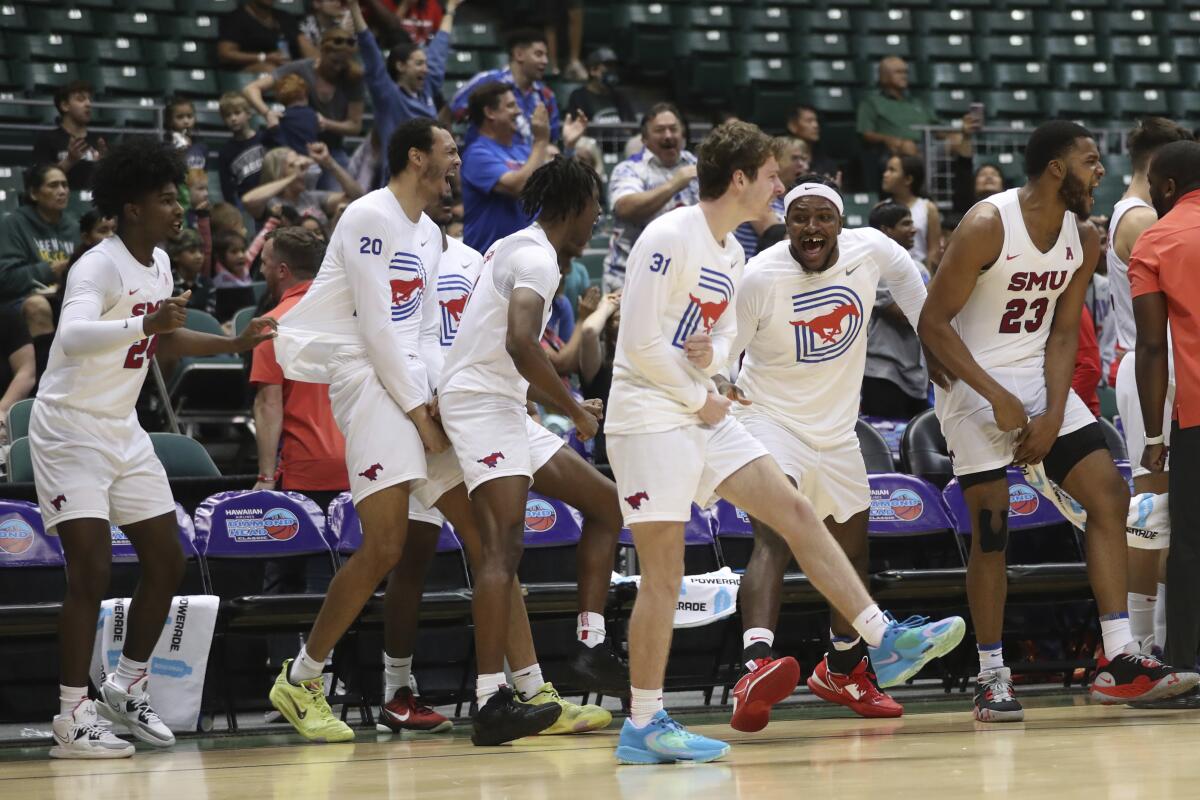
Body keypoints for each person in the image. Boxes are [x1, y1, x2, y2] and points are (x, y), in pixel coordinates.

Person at [604, 120, 965, 764]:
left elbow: (704, 347)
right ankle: (644, 721)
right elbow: (635, 346)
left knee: (797, 514)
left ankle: (879, 638)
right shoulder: (670, 235)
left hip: (701, 410)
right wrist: (702, 391)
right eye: (773, 176)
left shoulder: (730, 252)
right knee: (662, 579)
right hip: (649, 418)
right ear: (740, 178)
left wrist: (713, 372)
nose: (780, 186)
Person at [918, 119, 1200, 724]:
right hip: (974, 383)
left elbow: (1065, 332)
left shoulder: (1086, 235)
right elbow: (933, 324)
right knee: (992, 527)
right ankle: (991, 674)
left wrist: (1051, 410)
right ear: (1055, 169)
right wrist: (995, 395)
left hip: (1038, 380)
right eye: (1091, 162)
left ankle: (1119, 657)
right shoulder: (989, 223)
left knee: (1108, 495)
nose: (1101, 173)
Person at [267, 118, 522, 745]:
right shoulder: (366, 217)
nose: (458, 161)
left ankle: (522, 691)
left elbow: (426, 333)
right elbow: (379, 329)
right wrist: (417, 414)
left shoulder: (431, 233)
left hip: (410, 381)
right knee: (384, 545)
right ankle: (301, 679)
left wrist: (441, 403)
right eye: (449, 151)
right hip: (364, 374)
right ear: (416, 157)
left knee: (488, 539)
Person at [36, 138, 275, 759]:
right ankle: (69, 716)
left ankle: (125, 684)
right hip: (68, 426)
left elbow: (162, 344)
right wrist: (145, 323)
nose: (179, 208)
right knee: (89, 570)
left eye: (177, 197)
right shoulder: (99, 264)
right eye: (166, 199)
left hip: (121, 427)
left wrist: (230, 344)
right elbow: (73, 336)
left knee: (167, 559)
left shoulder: (161, 262)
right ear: (131, 207)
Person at [376, 190, 612, 737]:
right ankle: (443, 693)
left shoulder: (487, 252)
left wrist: (531, 390)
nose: (451, 186)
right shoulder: (390, 256)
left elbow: (497, 342)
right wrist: (571, 407)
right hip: (440, 411)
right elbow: (510, 342)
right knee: (420, 555)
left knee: (598, 508)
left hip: (490, 404)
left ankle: (562, 667)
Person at [719, 177, 941, 731]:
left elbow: (918, 297)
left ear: (839, 222)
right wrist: (719, 381)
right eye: (800, 218)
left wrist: (940, 354)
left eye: (822, 217)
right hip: (768, 419)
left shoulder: (873, 248)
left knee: (851, 550)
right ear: (785, 223)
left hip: (838, 431)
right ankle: (754, 665)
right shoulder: (760, 275)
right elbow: (725, 347)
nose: (811, 228)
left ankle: (842, 668)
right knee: (777, 532)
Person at [438, 156, 630, 744]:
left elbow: (518, 352)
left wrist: (549, 399)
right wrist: (573, 409)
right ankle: (490, 699)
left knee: (609, 505)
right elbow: (520, 341)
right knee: (503, 549)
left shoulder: (519, 248)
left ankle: (591, 645)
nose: (597, 222)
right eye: (595, 209)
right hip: (477, 405)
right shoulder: (536, 256)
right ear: (574, 205)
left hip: (502, 404)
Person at [1108, 118, 1192, 666]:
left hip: (1166, 364)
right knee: (1153, 509)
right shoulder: (1142, 220)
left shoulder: (1138, 214)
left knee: (1171, 514)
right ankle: (1139, 645)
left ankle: (1160, 639)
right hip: (1150, 367)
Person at [1132, 139, 1200, 696]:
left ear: (1170, 187)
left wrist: (1154, 434)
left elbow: (1152, 347)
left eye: (1154, 185)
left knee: (1192, 547)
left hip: (1197, 416)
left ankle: (1187, 668)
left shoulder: (1156, 238)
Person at [459, 82, 586, 254]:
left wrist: (569, 148)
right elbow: (519, 187)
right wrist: (541, 141)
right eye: (510, 106)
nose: (518, 111)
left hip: (527, 258)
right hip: (488, 263)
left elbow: (557, 188)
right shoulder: (477, 154)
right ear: (490, 112)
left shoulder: (525, 150)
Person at [348, 0, 457, 186]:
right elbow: (370, 51)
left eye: (425, 63)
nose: (425, 69)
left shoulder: (427, 88)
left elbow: (440, 47)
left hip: (432, 183)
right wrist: (353, 7)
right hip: (400, 184)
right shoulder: (388, 97)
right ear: (401, 66)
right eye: (418, 64)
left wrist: (451, 9)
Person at [603, 104, 699, 291]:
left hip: (682, 279)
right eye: (659, 130)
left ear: (683, 134)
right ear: (645, 139)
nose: (668, 135)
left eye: (673, 129)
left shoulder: (698, 167)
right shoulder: (629, 169)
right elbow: (625, 208)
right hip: (629, 278)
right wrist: (674, 184)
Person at [243, 27, 365, 171]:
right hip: (296, 149)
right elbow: (250, 89)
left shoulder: (353, 78)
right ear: (322, 52)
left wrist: (326, 123)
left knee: (348, 188)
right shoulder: (301, 68)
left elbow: (354, 125)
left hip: (331, 150)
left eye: (344, 63)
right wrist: (267, 113)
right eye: (334, 62)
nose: (338, 68)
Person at [862, 200, 931, 420]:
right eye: (905, 224)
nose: (914, 229)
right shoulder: (875, 266)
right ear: (886, 230)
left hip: (917, 375)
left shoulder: (919, 268)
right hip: (884, 374)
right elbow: (904, 315)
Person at [450, 29, 560, 147]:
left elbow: (551, 140)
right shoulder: (487, 81)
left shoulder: (546, 96)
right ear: (519, 54)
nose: (545, 61)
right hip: (486, 159)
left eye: (546, 55)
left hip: (532, 162)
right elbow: (449, 113)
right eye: (539, 54)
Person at [0, 165, 76, 308]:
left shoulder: (74, 226)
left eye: (65, 185)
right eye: (53, 186)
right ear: (34, 193)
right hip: (22, 300)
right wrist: (51, 270)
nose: (62, 191)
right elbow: (5, 278)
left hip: (66, 296)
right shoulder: (13, 224)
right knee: (38, 306)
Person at [242, 144, 364, 225]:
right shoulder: (270, 203)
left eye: (300, 165)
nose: (301, 169)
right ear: (278, 173)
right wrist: (293, 177)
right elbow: (248, 200)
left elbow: (357, 197)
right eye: (292, 165)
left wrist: (329, 163)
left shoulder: (311, 197)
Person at [31, 81, 106, 193]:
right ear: (65, 106)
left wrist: (105, 166)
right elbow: (40, 180)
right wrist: (69, 161)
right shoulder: (47, 139)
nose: (88, 104)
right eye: (81, 99)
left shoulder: (99, 142)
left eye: (89, 99)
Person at [882, 154, 941, 271]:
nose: (885, 174)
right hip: (889, 273)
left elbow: (933, 250)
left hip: (920, 271)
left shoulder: (928, 208)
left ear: (908, 179)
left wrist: (928, 279)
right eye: (886, 169)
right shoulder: (881, 208)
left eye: (892, 170)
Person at [217, 0, 303, 73]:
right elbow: (225, 54)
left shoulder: (285, 17)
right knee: (271, 70)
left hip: (286, 65)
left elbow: (304, 42)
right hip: (249, 71)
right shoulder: (235, 18)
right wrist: (264, 57)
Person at [216, 92, 267, 208]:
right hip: (248, 206)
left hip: (271, 197)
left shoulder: (264, 139)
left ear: (248, 114)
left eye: (237, 113)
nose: (233, 118)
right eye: (228, 115)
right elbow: (227, 190)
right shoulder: (225, 153)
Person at [565, 48, 634, 124]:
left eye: (614, 66)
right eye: (608, 66)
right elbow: (574, 130)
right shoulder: (579, 97)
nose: (612, 70)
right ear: (593, 70)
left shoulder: (620, 97)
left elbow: (632, 128)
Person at [266, 74, 322, 153]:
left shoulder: (281, 118)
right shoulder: (313, 114)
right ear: (304, 94)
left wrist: (273, 128)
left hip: (290, 160)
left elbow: (276, 144)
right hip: (313, 159)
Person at [786, 105, 838, 180]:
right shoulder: (782, 161)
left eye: (816, 121)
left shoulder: (827, 163)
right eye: (809, 121)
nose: (816, 125)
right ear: (792, 126)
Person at [164, 96, 207, 173]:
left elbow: (204, 173)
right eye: (180, 117)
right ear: (170, 121)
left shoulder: (201, 146)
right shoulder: (166, 148)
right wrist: (178, 152)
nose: (186, 121)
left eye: (189, 116)